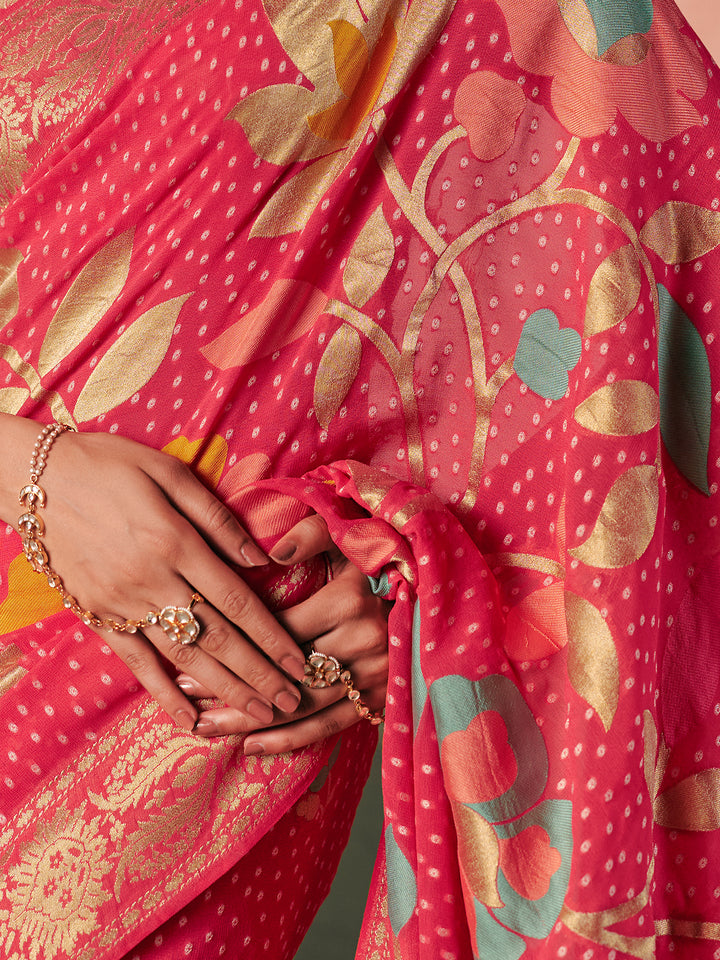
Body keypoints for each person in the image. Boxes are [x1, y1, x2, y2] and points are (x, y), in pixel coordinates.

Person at [1, 1, 720, 959]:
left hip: (205, 730)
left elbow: (595, 416)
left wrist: (440, 594)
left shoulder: (548, 22)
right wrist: (32, 475)